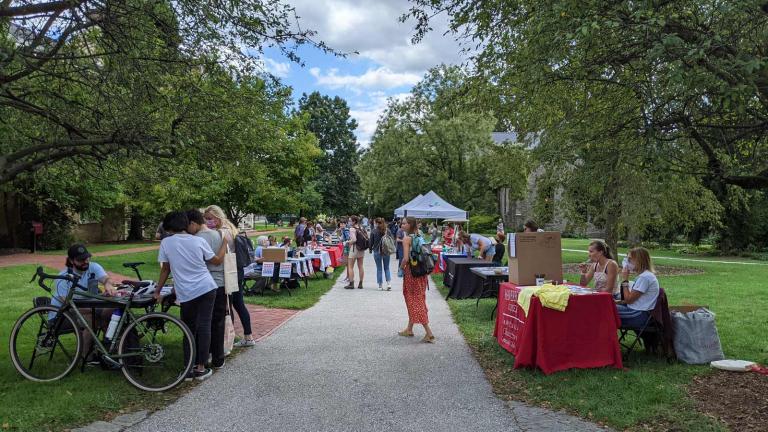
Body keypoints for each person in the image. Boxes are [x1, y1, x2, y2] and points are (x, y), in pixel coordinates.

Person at [153, 211, 229, 381]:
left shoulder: (166, 243)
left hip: (186, 292)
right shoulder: (198, 240)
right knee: (204, 326)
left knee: (188, 328)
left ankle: (188, 368)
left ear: (168, 226)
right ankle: (201, 368)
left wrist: (157, 291)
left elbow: (165, 268)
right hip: (207, 287)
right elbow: (216, 261)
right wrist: (224, 242)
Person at [52, 244, 118, 363]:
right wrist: (95, 309)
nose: (85, 262)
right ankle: (86, 357)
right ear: (71, 261)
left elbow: (106, 279)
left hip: (84, 309)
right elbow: (67, 304)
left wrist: (107, 284)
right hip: (61, 315)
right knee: (93, 318)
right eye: (81, 260)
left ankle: (112, 351)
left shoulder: (93, 267)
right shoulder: (63, 277)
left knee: (109, 314)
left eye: (87, 258)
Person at [186, 209, 228, 369]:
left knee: (202, 323)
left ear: (193, 223)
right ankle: (218, 358)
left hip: (204, 284)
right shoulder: (218, 234)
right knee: (218, 322)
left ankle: (203, 356)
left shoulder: (196, 239)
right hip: (220, 281)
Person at [398, 217, 435, 343]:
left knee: (414, 300)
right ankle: (409, 329)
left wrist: (401, 268)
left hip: (411, 273)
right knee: (418, 298)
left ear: (410, 225)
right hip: (421, 273)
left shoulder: (407, 238)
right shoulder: (420, 236)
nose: (401, 225)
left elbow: (406, 259)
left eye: (404, 223)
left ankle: (429, 333)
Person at [615, 247, 660, 327]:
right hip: (637, 311)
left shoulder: (645, 277)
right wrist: (617, 302)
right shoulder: (644, 276)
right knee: (605, 306)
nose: (627, 262)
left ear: (639, 261)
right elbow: (631, 300)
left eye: (630, 259)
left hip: (638, 314)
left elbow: (629, 300)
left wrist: (625, 279)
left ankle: (604, 338)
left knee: (604, 310)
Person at [370, 217, 393, 291]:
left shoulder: (373, 231)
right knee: (387, 268)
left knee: (379, 268)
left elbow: (371, 242)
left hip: (377, 251)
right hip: (386, 251)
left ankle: (380, 285)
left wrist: (370, 249)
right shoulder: (387, 230)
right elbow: (392, 239)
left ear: (376, 223)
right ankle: (389, 284)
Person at [345, 216, 367, 289]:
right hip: (361, 249)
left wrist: (348, 242)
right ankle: (360, 283)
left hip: (354, 249)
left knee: (350, 266)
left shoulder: (352, 229)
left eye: (350, 221)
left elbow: (354, 239)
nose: (349, 222)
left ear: (354, 221)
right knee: (360, 266)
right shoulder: (361, 227)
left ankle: (351, 283)